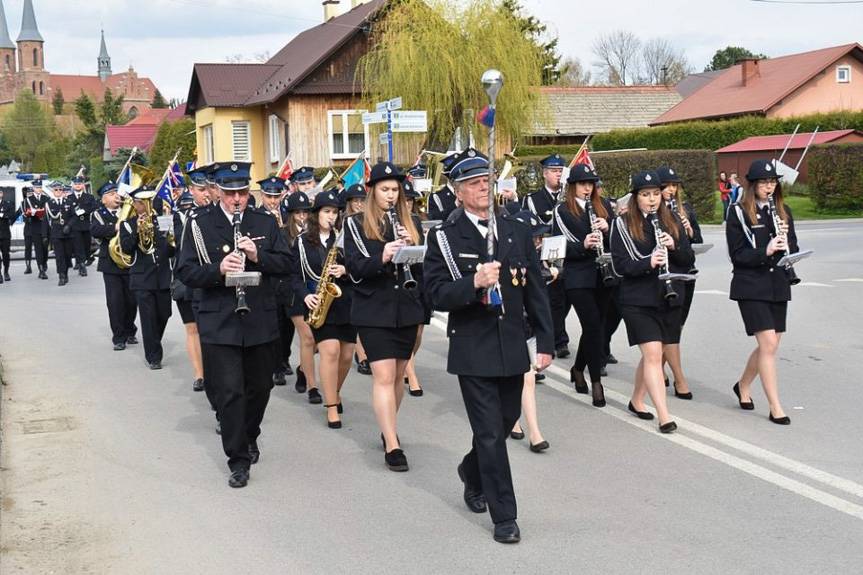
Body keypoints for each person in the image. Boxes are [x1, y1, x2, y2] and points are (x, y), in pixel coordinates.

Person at [424, 147, 553, 544]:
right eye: (474, 184)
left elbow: (534, 288)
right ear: (458, 191)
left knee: (501, 423)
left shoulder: (513, 229)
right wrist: (473, 284)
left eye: (486, 181)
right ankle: (505, 517)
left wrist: (545, 339)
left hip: (512, 344)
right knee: (492, 435)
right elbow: (435, 295)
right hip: (474, 347)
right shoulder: (445, 237)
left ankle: (470, 470)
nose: (483, 188)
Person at [176, 161, 292, 488]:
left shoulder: (264, 222)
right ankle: (237, 459)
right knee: (229, 393)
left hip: (259, 317)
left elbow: (286, 264)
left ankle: (250, 433)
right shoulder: (199, 223)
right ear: (217, 192)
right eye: (230, 193)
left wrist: (258, 256)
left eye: (242, 192)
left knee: (260, 388)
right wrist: (218, 269)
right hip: (219, 319)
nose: (237, 199)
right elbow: (185, 272)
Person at [345, 161, 426, 470]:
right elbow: (355, 268)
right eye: (385, 190)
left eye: (395, 190)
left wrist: (412, 247)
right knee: (384, 375)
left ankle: (387, 426)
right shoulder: (354, 224)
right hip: (372, 308)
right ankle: (392, 444)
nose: (391, 196)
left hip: (406, 307)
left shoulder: (412, 220)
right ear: (372, 191)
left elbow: (423, 269)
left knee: (399, 376)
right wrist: (384, 254)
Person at [609, 170, 693, 434]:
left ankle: (636, 399)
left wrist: (675, 246)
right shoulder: (622, 224)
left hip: (667, 297)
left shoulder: (672, 220)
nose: (652, 200)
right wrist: (648, 263)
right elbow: (620, 266)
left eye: (656, 194)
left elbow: (688, 260)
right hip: (637, 300)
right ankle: (664, 416)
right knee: (654, 354)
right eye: (646, 195)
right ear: (636, 197)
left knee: (651, 356)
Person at [726, 160, 799, 426]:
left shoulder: (784, 211)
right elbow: (737, 256)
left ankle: (743, 384)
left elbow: (792, 247)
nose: (769, 186)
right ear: (753, 185)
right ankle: (775, 406)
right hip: (751, 285)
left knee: (771, 345)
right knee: (768, 345)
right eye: (763, 182)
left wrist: (786, 244)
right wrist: (765, 250)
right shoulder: (738, 213)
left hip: (778, 283)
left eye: (772, 182)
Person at [552, 164, 616, 408]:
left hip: (603, 274)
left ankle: (578, 368)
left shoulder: (604, 207)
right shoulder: (562, 211)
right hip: (578, 276)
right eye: (582, 184)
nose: (587, 188)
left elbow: (616, 241)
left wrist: (607, 229)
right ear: (573, 186)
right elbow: (559, 245)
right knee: (591, 325)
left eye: (591, 184)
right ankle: (596, 383)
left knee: (596, 327)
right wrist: (584, 244)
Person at [295, 190, 355, 428]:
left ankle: (334, 391)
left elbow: (361, 265)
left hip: (346, 301)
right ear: (316, 214)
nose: (331, 216)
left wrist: (346, 270)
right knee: (329, 351)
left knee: (347, 355)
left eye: (334, 212)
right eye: (326, 212)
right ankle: (331, 407)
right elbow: (293, 275)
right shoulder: (302, 241)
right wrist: (305, 295)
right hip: (320, 303)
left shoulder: (345, 239)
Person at [508, 210, 552, 453]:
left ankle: (534, 431)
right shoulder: (510, 254)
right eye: (533, 237)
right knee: (520, 378)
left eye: (539, 238)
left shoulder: (539, 257)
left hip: (530, 325)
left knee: (528, 378)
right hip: (509, 324)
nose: (537, 242)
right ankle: (515, 420)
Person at [657, 166, 701, 399]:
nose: (671, 190)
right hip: (665, 276)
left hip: (686, 273)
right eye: (667, 186)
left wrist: (688, 230)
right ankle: (679, 378)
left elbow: (697, 242)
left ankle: (658, 367)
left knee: (676, 327)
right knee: (669, 328)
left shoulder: (685, 211)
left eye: (674, 186)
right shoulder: (653, 214)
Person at [119, 185, 174, 369]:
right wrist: (137, 229)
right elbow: (126, 248)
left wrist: (168, 233)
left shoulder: (164, 221)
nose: (142, 205)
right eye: (139, 202)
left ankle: (154, 340)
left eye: (146, 202)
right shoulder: (127, 224)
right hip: (142, 278)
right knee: (148, 317)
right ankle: (154, 356)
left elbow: (171, 248)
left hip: (163, 276)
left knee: (164, 314)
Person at [523, 153, 569, 358]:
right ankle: (555, 340)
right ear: (545, 174)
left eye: (561, 171)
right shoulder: (533, 200)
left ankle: (558, 337)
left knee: (563, 299)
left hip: (568, 251)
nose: (558, 175)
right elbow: (529, 226)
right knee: (550, 298)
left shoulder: (568, 197)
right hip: (545, 253)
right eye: (554, 171)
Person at [90, 181, 139, 351]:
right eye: (111, 194)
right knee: (115, 301)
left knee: (132, 300)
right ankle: (119, 337)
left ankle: (130, 329)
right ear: (103, 200)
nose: (116, 196)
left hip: (129, 261)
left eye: (116, 193)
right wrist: (115, 227)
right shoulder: (98, 214)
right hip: (110, 264)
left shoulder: (128, 212)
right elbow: (96, 230)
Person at [281, 191, 319, 397]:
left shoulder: (314, 233)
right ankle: (313, 386)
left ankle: (303, 369)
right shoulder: (283, 233)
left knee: (319, 341)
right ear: (291, 214)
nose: (302, 216)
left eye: (305, 212)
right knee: (308, 338)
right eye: (298, 212)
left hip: (314, 292)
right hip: (294, 292)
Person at [258, 176, 295, 385]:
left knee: (288, 323)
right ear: (262, 195)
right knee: (274, 322)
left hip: (287, 276)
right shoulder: (258, 217)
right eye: (269, 196)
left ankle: (285, 357)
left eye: (276, 196)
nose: (273, 201)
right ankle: (276, 366)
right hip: (269, 277)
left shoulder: (287, 216)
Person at [342, 183, 373, 376]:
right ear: (349, 203)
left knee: (362, 317)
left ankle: (362, 354)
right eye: (356, 201)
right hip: (345, 275)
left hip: (362, 274)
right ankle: (360, 354)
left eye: (363, 200)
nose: (360, 204)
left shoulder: (369, 221)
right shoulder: (343, 221)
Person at [401, 179, 426, 397]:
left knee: (418, 333)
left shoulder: (416, 221)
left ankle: (407, 361)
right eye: (405, 200)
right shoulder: (391, 221)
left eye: (411, 200)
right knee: (409, 331)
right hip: (400, 283)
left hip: (418, 279)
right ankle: (412, 376)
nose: (408, 204)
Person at [45, 184, 75, 286]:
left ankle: (65, 272)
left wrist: (69, 226)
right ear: (53, 191)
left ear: (63, 191)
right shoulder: (49, 203)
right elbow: (45, 220)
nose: (58, 191)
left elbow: (74, 216)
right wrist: (45, 235)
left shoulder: (69, 202)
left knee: (67, 255)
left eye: (60, 189)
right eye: (56, 190)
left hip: (68, 233)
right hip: (56, 233)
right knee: (59, 256)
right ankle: (61, 276)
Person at [68, 175, 98, 275]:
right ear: (73, 185)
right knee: (78, 246)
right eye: (76, 184)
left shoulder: (89, 197)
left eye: (79, 184)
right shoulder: (69, 198)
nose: (77, 186)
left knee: (86, 245)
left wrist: (85, 210)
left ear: (83, 185)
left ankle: (83, 260)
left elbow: (94, 207)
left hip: (86, 225)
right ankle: (81, 265)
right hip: (75, 226)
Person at [23, 180, 50, 279]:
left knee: (45, 249)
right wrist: (31, 213)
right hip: (35, 226)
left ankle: (44, 262)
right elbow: (25, 213)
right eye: (37, 187)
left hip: (45, 227)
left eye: (40, 187)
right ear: (33, 188)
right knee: (38, 249)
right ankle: (41, 270)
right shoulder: (28, 200)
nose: (38, 189)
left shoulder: (46, 198)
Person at [427, 153, 458, 221]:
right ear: (447, 174)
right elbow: (435, 219)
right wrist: (456, 204)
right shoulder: (437, 196)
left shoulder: (470, 192)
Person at [0, 188, 19, 283]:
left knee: (5, 254)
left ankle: (6, 272)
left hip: (5, 234)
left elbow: (12, 215)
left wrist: (3, 215)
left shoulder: (7, 203)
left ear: (2, 194)